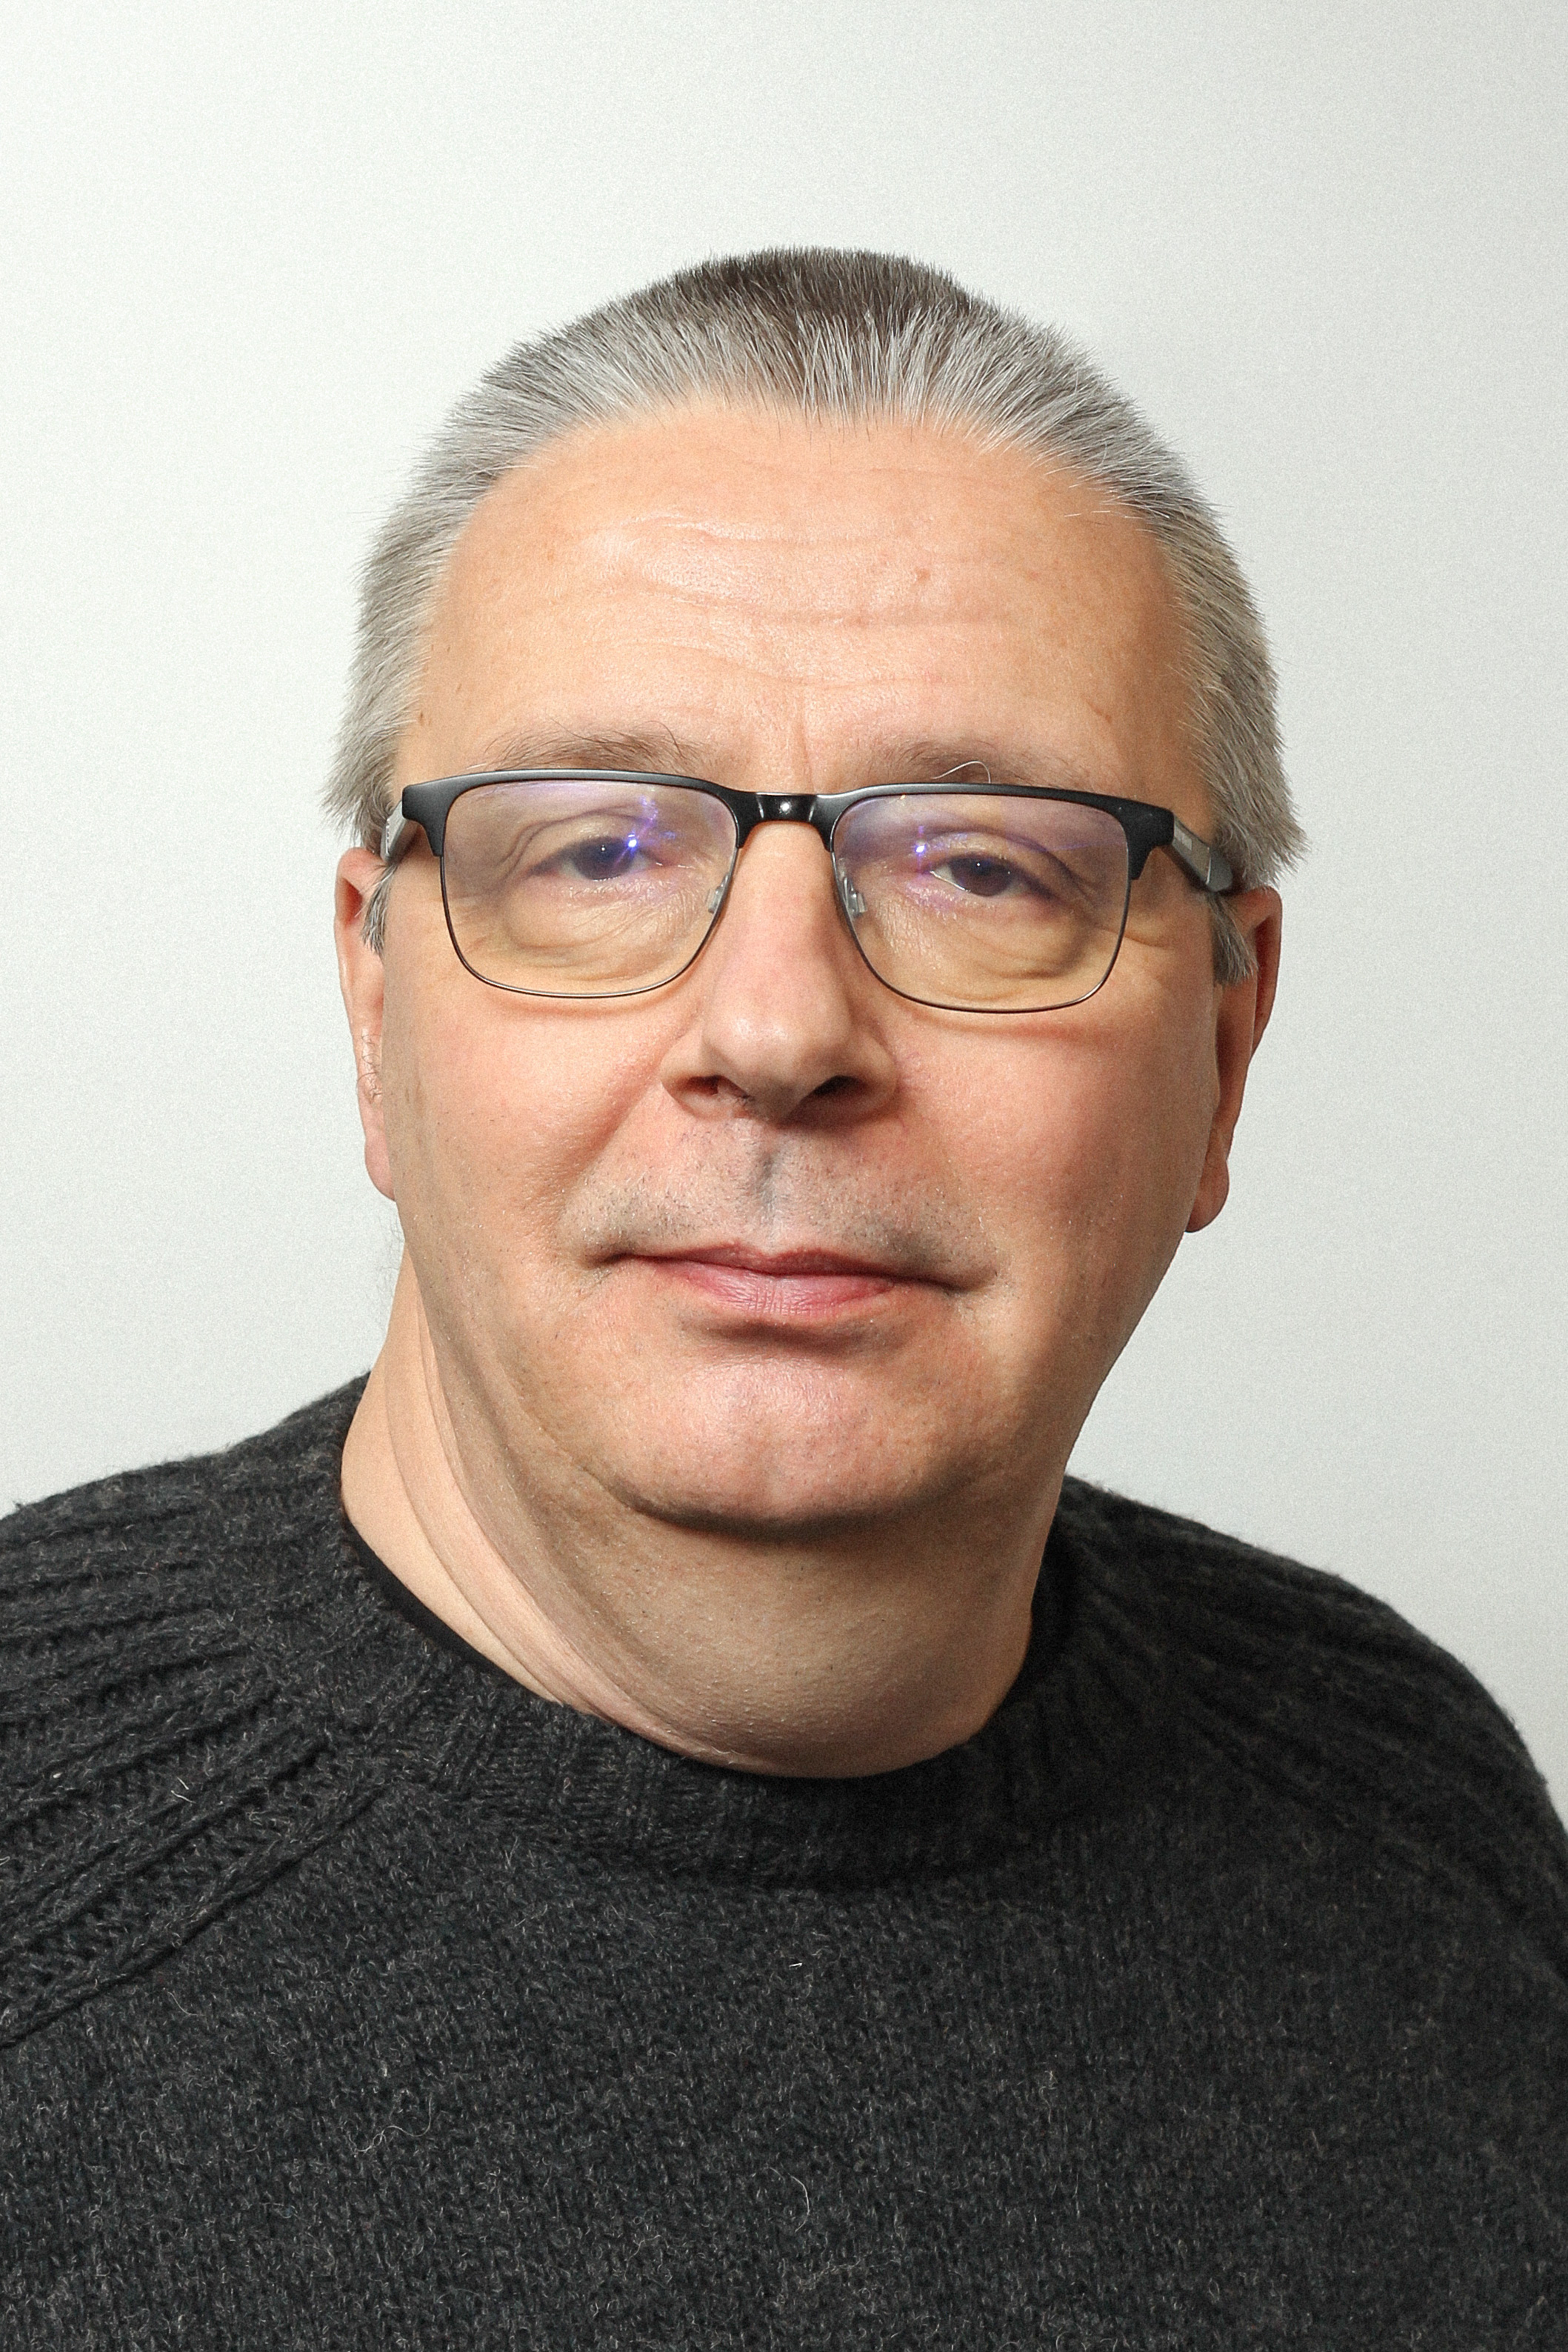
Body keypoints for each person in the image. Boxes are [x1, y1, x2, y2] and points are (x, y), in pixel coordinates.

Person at [3, 249, 1564, 2347]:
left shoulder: (1412, 1804)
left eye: (985, 866)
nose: (776, 1029)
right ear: (375, 1012)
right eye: (598, 853)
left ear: (1226, 1042)